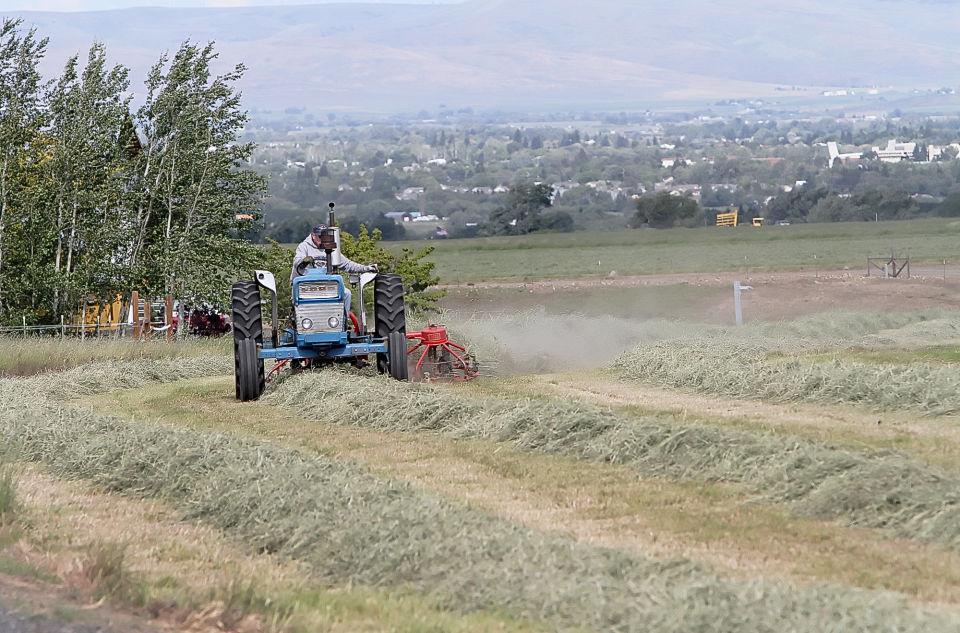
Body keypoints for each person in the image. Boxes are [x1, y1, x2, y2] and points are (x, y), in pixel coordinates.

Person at [291, 223, 378, 319]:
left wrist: (365, 268)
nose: (323, 239)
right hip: (307, 285)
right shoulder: (304, 247)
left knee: (347, 293)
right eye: (320, 237)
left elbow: (347, 264)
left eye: (325, 237)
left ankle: (342, 322)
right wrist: (303, 261)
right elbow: (297, 261)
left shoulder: (331, 248)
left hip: (327, 284)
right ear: (313, 236)